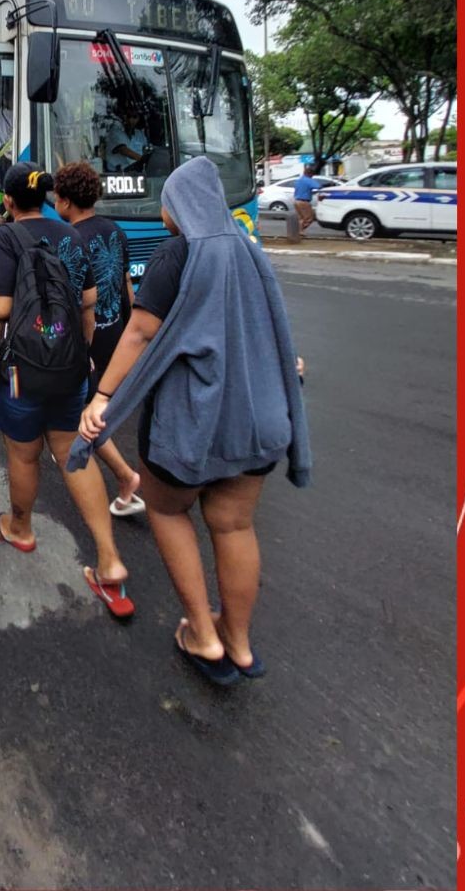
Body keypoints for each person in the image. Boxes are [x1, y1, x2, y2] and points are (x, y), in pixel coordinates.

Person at [69, 157, 312, 686]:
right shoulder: (250, 252)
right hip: (256, 421)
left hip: (192, 424)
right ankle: (240, 644)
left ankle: (201, 633)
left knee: (166, 508)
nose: (162, 212)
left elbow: (139, 333)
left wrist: (103, 397)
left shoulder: (176, 254)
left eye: (167, 200)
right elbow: (270, 323)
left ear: (180, 205)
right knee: (234, 525)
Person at [0, 162, 133, 617]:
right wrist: (81, 355)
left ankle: (19, 527)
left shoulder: (5, 238)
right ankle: (109, 559)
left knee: (24, 454)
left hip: (21, 371)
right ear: (45, 198)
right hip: (71, 368)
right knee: (72, 453)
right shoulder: (73, 236)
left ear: (7, 200)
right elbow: (88, 305)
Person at [51, 160, 145, 517]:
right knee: (93, 411)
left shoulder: (69, 240)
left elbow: (74, 304)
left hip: (87, 342)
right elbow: (126, 286)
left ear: (65, 201)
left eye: (57, 197)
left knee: (84, 416)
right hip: (116, 335)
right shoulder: (116, 230)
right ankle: (124, 478)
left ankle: (125, 477)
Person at [292, 164, 320, 232]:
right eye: (312, 174)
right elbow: (318, 186)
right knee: (309, 218)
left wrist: (311, 193)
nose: (313, 176)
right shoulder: (308, 180)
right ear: (310, 174)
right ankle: (299, 231)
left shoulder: (299, 180)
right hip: (304, 202)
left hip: (296, 201)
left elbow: (302, 190)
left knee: (301, 218)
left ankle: (298, 232)